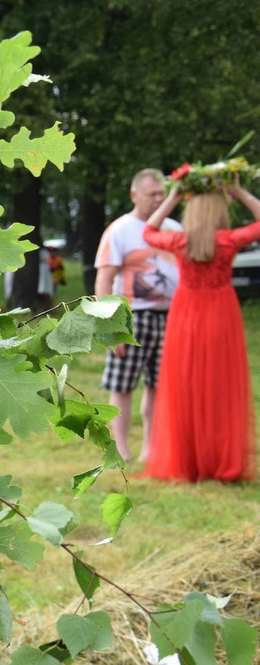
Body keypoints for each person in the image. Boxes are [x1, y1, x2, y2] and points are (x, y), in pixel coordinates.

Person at [139, 181, 259, 482]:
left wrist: (173, 197)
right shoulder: (228, 240)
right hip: (221, 313)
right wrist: (240, 191)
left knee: (185, 382)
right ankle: (219, 459)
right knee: (220, 385)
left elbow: (148, 231)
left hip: (186, 314)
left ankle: (187, 459)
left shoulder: (179, 241)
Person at [94, 169, 181, 462]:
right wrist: (110, 325)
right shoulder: (119, 230)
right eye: (151, 194)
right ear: (134, 195)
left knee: (159, 385)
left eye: (162, 194)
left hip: (169, 316)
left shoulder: (174, 228)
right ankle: (121, 449)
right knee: (123, 385)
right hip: (131, 317)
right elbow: (104, 279)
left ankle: (151, 449)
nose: (158, 199)